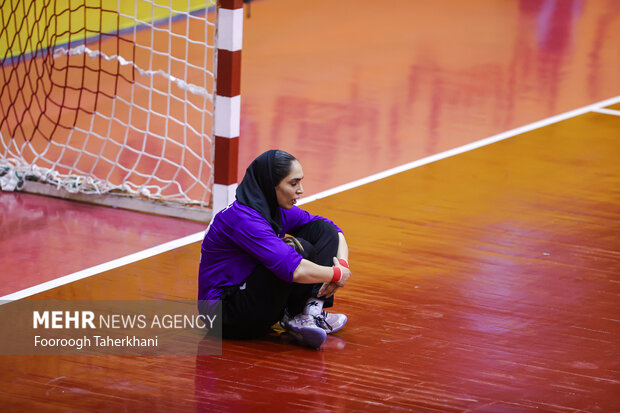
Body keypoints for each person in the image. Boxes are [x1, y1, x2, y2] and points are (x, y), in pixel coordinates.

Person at [198, 149, 352, 348]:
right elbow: (294, 268)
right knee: (295, 249)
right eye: (293, 183)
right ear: (271, 185)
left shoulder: (272, 210)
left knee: (321, 230)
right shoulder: (243, 219)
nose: (300, 190)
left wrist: (342, 264)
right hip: (225, 316)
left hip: (248, 300)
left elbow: (331, 229)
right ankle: (296, 315)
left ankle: (308, 312)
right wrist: (337, 274)